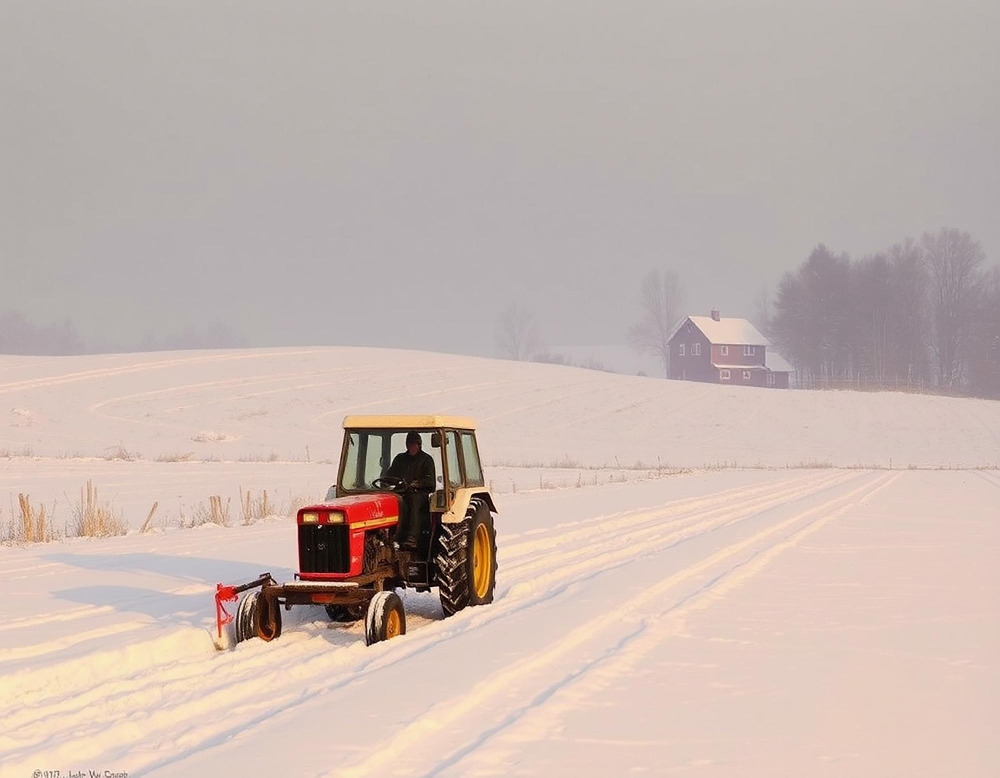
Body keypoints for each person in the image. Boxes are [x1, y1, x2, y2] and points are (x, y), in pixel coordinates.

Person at [386, 431, 436, 550]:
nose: (411, 447)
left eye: (413, 444)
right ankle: (389, 535)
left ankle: (412, 537)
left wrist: (416, 483)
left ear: (419, 445)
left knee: (413, 500)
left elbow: (430, 482)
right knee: (391, 500)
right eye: (409, 444)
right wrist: (391, 480)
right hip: (401, 491)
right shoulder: (400, 459)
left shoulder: (426, 460)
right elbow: (390, 475)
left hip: (419, 493)